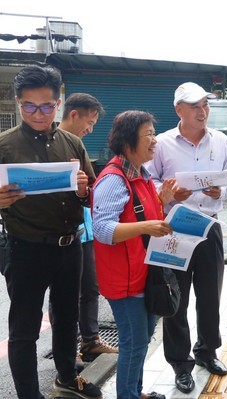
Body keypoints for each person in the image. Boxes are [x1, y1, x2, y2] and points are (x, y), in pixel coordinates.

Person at [0, 65, 101, 399]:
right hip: (26, 248)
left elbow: (93, 192)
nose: (38, 114)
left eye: (46, 106)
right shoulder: (5, 147)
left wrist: (85, 189)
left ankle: (67, 377)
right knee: (25, 329)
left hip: (70, 245)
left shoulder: (72, 143)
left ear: (58, 104)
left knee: (67, 316)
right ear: (18, 102)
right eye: (29, 106)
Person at [145, 82, 227, 394]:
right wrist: (168, 193)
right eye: (194, 106)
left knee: (211, 294)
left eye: (205, 105)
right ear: (179, 110)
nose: (202, 111)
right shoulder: (160, 144)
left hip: (209, 225)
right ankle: (179, 363)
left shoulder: (221, 141)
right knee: (176, 299)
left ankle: (207, 351)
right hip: (174, 228)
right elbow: (150, 180)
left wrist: (221, 190)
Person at [93, 110, 175, 399]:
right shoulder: (113, 179)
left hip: (144, 276)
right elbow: (102, 229)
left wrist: (162, 202)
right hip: (124, 281)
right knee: (133, 342)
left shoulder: (142, 174)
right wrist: (147, 226)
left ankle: (134, 391)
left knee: (141, 340)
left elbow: (146, 219)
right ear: (128, 141)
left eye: (154, 133)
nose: (155, 140)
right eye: (148, 135)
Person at [57, 93, 119, 364]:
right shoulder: (52, 146)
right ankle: (66, 349)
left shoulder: (78, 146)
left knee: (90, 288)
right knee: (63, 296)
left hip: (85, 230)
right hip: (56, 233)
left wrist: (86, 188)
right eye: (89, 122)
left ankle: (91, 341)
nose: (91, 129)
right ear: (73, 114)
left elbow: (92, 189)